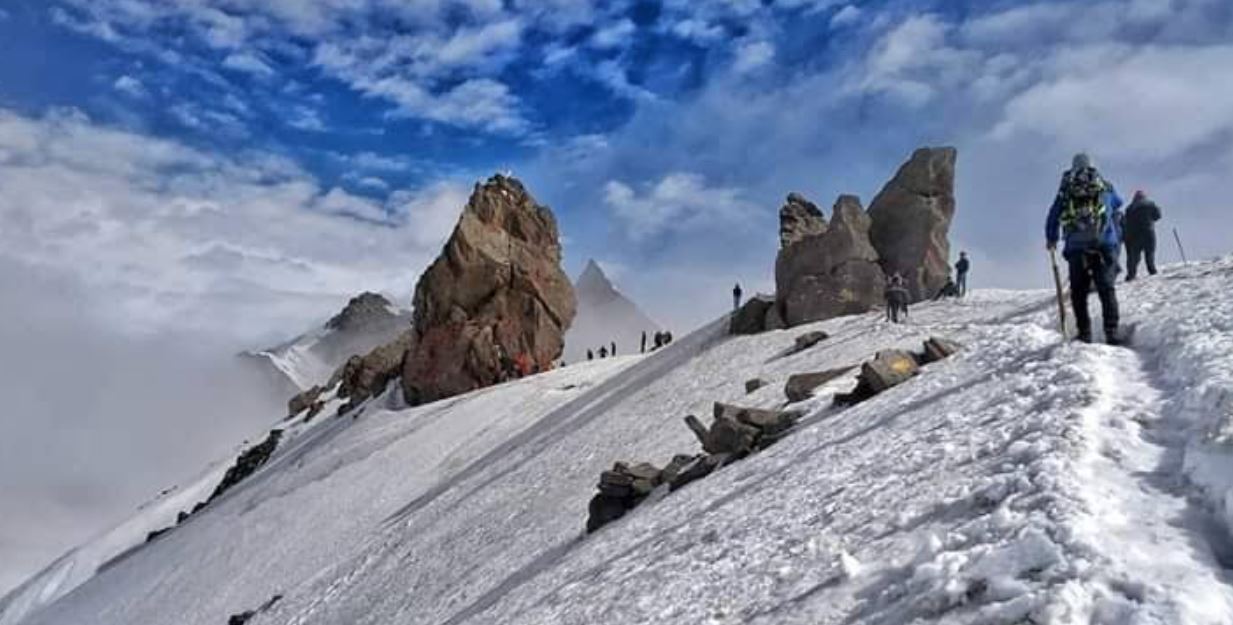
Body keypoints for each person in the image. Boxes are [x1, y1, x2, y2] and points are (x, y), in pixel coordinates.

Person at [1046, 152, 1125, 344]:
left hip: (1076, 246)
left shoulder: (1066, 189)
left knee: (1078, 292)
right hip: (1104, 243)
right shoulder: (1104, 185)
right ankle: (1111, 331)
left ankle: (1085, 333)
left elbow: (1054, 213)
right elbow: (1119, 202)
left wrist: (1052, 238)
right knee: (1106, 289)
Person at [1123, 190, 1162, 281]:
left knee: (1134, 256)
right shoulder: (1150, 205)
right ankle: (1152, 270)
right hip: (1149, 232)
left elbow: (1127, 223)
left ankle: (1131, 274)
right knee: (1150, 253)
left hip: (1135, 235)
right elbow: (1158, 216)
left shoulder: (1130, 208)